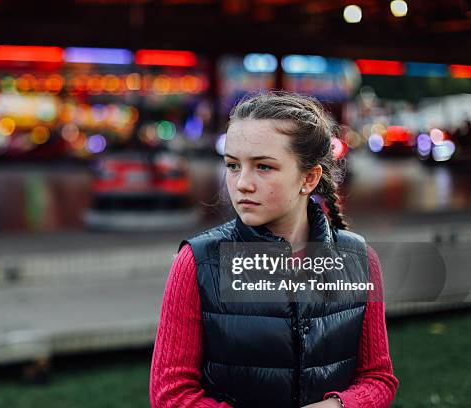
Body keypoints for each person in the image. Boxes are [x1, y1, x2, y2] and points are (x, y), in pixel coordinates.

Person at [149, 91, 399, 408]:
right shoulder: (198, 262)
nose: (242, 183)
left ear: (308, 178)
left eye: (263, 167)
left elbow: (378, 378)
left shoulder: (360, 260)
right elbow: (170, 393)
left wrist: (337, 406)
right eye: (233, 165)